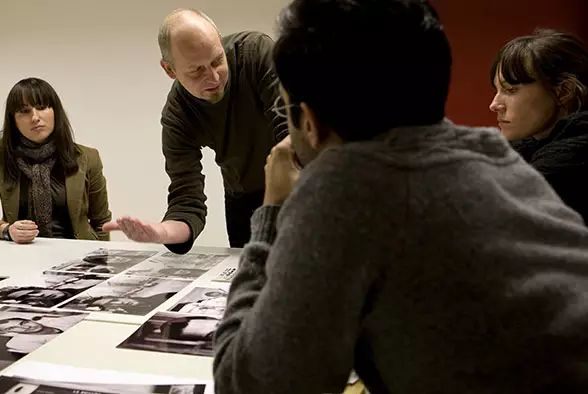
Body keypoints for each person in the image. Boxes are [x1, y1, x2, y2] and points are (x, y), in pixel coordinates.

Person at [212, 1, 588, 393]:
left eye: (283, 107)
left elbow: (250, 384)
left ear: (309, 120)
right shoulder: (496, 157)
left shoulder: (345, 188)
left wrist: (272, 211)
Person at [103, 9, 288, 253]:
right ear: (170, 70)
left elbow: (291, 132)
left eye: (217, 60)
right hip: (244, 198)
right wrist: (162, 232)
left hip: (296, 175)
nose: (213, 77)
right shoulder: (177, 116)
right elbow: (187, 201)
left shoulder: (255, 53)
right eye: (196, 70)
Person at [0, 77, 112, 244]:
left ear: (55, 111)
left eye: (42, 107)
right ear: (13, 120)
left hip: (78, 260)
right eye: (24, 111)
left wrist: (101, 263)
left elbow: (102, 223)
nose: (35, 117)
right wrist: (6, 230)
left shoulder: (87, 157)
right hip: (22, 257)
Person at [489, 29, 588, 222]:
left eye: (510, 90)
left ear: (563, 91)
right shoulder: (531, 148)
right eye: (497, 90)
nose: (494, 105)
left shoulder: (576, 156)